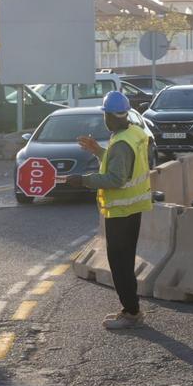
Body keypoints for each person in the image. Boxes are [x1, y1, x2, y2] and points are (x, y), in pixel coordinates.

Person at [65, 91, 152, 330]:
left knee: (120, 264)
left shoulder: (122, 141)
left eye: (105, 115)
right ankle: (131, 308)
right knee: (125, 262)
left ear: (109, 116)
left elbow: (116, 177)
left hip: (122, 211)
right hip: (133, 207)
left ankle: (131, 313)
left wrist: (82, 180)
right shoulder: (134, 133)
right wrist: (98, 151)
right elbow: (121, 163)